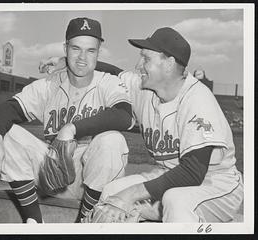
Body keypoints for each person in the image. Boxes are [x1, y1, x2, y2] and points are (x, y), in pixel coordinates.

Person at [43, 27, 244, 222]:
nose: (139, 65)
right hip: (167, 176)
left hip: (216, 185)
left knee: (175, 200)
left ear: (169, 63)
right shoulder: (143, 87)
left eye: (146, 58)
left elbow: (192, 173)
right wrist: (67, 62)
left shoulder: (198, 100)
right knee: (111, 193)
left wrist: (130, 195)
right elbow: (114, 72)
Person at [0, 17, 135, 223]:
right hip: (52, 174)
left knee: (112, 140)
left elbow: (124, 115)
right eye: (76, 48)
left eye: (90, 50)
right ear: (65, 48)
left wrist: (71, 128)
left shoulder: (109, 83)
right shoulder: (48, 85)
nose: (82, 57)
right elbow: (8, 109)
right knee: (5, 133)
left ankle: (84, 222)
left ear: (99, 51)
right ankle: (35, 222)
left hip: (93, 182)